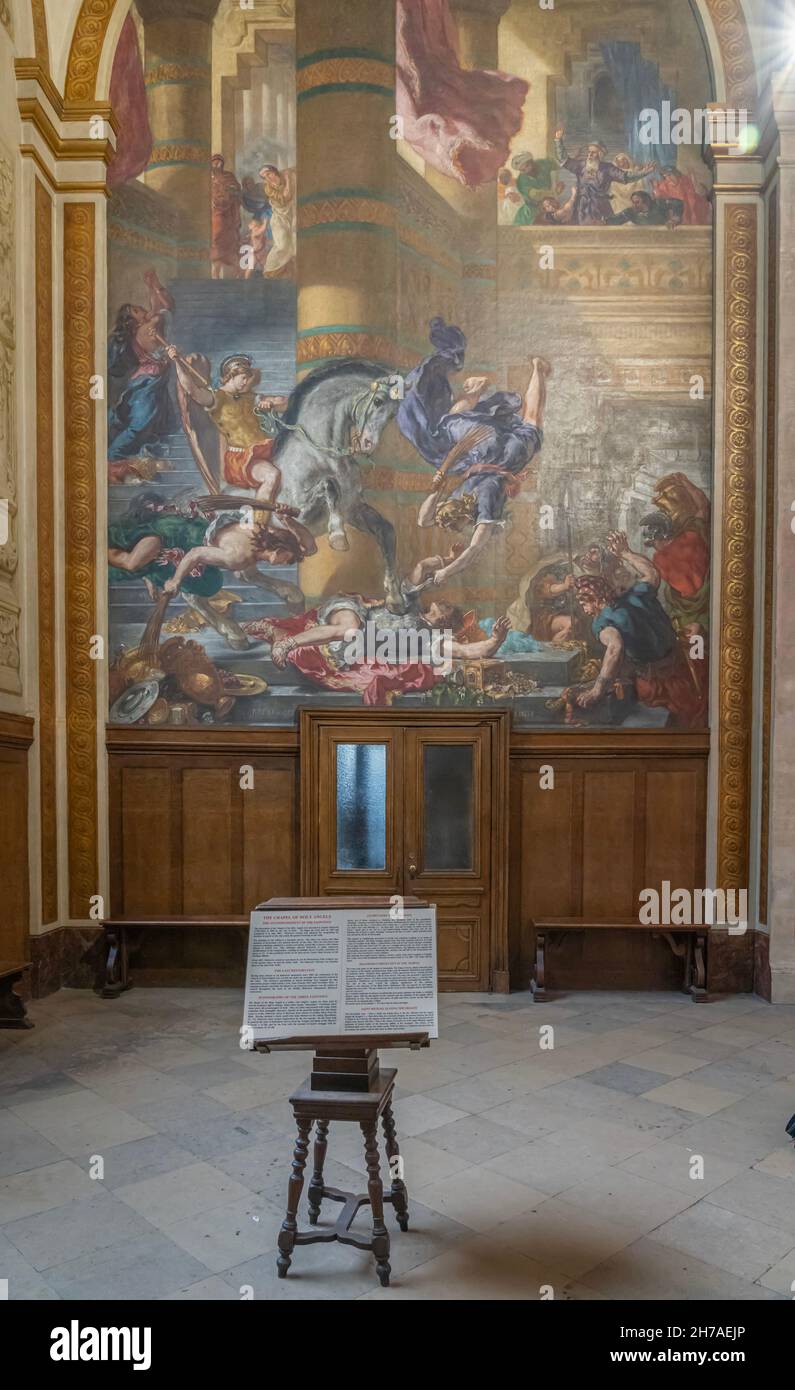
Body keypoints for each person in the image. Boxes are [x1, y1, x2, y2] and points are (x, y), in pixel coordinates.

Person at [398, 319, 549, 582]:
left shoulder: (484, 505)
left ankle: (538, 369)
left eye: (458, 526)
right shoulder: (459, 493)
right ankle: (471, 395)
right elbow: (423, 520)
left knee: (532, 418)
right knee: (447, 426)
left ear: (462, 516)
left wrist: (446, 571)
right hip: (479, 449)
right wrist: (439, 487)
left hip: (510, 457)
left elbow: (474, 549)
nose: (460, 529)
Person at [573, 531, 706, 728]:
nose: (583, 609)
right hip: (682, 668)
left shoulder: (602, 622)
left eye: (582, 603)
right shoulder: (637, 594)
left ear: (592, 598)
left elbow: (614, 648)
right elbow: (652, 573)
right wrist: (626, 552)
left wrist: (597, 690)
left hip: (654, 685)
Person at [168, 349, 289, 506]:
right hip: (241, 460)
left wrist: (271, 403)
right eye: (243, 378)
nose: (246, 382)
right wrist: (177, 361)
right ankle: (259, 524)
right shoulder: (217, 398)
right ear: (231, 375)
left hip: (265, 450)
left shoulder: (250, 397)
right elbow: (192, 390)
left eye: (248, 378)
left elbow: (285, 404)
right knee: (272, 475)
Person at [162, 504, 316, 597]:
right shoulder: (240, 558)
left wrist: (286, 519)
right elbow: (195, 553)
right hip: (192, 532)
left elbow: (310, 548)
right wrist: (176, 581)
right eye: (287, 559)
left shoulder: (270, 534)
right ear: (279, 550)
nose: (286, 563)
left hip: (221, 518)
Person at [108, 269, 175, 464]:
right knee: (139, 425)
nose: (140, 307)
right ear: (132, 322)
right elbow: (166, 307)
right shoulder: (147, 329)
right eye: (136, 310)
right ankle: (113, 457)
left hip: (151, 380)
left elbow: (156, 306)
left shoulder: (146, 326)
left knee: (150, 423)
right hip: (147, 382)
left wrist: (152, 286)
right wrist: (155, 286)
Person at [554, 128, 655, 225]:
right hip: (581, 207)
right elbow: (564, 160)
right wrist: (558, 141)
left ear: (600, 155)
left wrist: (643, 172)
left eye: (593, 152)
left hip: (600, 207)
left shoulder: (608, 168)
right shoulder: (581, 165)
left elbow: (626, 176)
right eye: (589, 152)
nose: (590, 154)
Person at [258, 165, 296, 276]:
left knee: (295, 244)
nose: (268, 178)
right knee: (282, 245)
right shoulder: (268, 188)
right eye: (265, 177)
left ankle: (290, 272)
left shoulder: (286, 173)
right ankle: (270, 270)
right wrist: (289, 180)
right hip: (279, 219)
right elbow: (286, 197)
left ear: (274, 171)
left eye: (269, 174)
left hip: (292, 215)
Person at [211, 154, 243, 279]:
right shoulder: (208, 177)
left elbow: (236, 188)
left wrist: (230, 190)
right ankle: (215, 272)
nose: (217, 165)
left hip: (228, 211)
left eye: (219, 163)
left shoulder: (228, 176)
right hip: (215, 211)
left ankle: (235, 271)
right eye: (215, 162)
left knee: (229, 239)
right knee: (216, 237)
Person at [509, 151, 560, 225]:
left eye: (527, 166)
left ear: (531, 162)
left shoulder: (542, 163)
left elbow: (555, 165)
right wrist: (554, 192)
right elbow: (536, 194)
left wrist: (556, 181)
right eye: (522, 170)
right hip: (533, 209)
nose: (527, 170)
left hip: (550, 203)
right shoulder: (521, 181)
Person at [606, 189, 684, 227]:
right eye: (633, 202)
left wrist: (675, 218)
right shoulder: (631, 211)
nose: (634, 205)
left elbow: (678, 203)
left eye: (637, 202)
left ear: (646, 201)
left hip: (662, 237)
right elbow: (616, 219)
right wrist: (604, 222)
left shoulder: (658, 204)